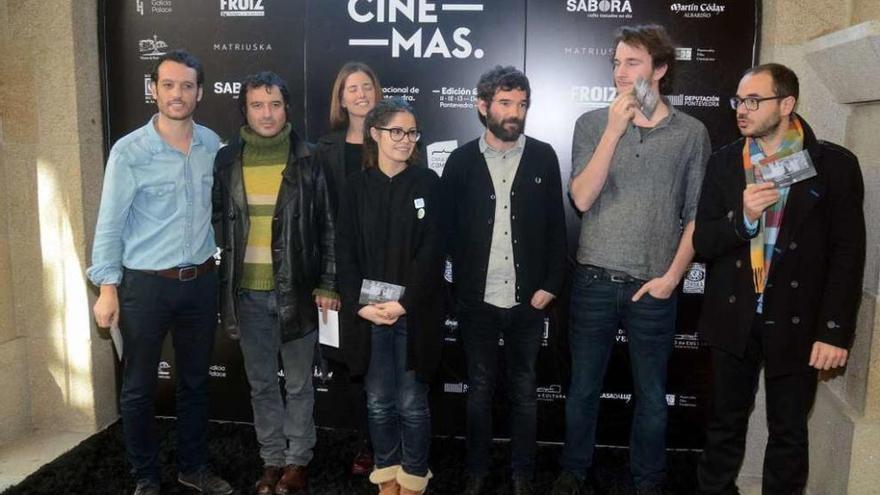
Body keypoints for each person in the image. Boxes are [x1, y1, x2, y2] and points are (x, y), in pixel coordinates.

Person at [694, 63, 865, 494]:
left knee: (789, 434)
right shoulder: (724, 163)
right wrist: (744, 218)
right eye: (739, 100)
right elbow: (704, 240)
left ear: (786, 104)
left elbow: (848, 256)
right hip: (734, 317)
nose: (742, 109)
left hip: (797, 321)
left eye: (754, 100)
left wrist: (833, 331)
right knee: (722, 430)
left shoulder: (833, 166)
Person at [554, 24, 711, 495]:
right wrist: (613, 131)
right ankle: (573, 471)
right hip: (594, 281)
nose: (620, 73)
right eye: (616, 62)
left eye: (633, 63)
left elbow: (696, 217)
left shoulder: (691, 133)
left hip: (653, 287)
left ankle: (647, 480)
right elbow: (581, 198)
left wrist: (670, 279)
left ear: (660, 70)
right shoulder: (590, 123)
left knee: (652, 397)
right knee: (583, 390)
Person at [87, 49, 232, 495]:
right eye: (168, 84)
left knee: (194, 384)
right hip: (145, 287)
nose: (177, 93)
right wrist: (107, 289)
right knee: (137, 388)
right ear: (154, 89)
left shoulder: (214, 146)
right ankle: (145, 476)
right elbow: (110, 222)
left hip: (201, 283)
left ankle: (193, 467)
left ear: (200, 93)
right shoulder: (129, 151)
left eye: (187, 85)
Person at [440, 66, 567, 495]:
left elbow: (557, 227)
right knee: (478, 391)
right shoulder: (459, 162)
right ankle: (477, 472)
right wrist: (456, 293)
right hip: (476, 302)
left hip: (528, 301)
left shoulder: (543, 156)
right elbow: (446, 233)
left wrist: (550, 284)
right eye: (506, 103)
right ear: (483, 106)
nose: (516, 112)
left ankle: (522, 475)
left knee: (525, 391)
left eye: (522, 104)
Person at [213, 71, 337, 495]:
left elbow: (329, 228)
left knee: (301, 384)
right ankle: (272, 461)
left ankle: (298, 462)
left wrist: (329, 282)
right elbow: (220, 223)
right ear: (244, 109)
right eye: (257, 105)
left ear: (287, 108)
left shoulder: (310, 157)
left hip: (296, 291)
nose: (267, 113)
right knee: (262, 383)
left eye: (275, 104)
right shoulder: (227, 159)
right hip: (246, 293)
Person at [336, 98, 444, 495]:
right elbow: (344, 252)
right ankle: (387, 476)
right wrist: (362, 306)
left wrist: (404, 304)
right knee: (379, 401)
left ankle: (413, 478)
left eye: (411, 132)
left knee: (412, 403)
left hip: (414, 315)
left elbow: (433, 252)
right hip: (368, 317)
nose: (405, 140)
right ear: (375, 134)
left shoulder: (428, 184)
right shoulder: (353, 187)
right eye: (396, 131)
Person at [312, 61, 383, 476]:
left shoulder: (396, 138)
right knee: (351, 363)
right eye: (351, 88)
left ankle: (382, 441)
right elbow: (322, 219)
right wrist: (327, 279)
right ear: (341, 98)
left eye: (367, 86)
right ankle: (364, 442)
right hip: (341, 274)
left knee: (385, 361)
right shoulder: (326, 149)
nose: (360, 94)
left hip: (385, 273)